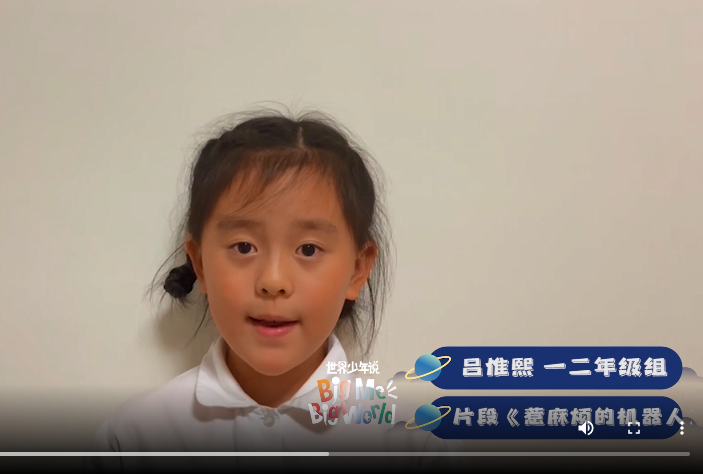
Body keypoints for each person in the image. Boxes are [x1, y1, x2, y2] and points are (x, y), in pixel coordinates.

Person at [87, 109, 462, 472]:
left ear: (357, 269)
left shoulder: (410, 444)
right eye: (244, 247)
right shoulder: (132, 441)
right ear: (199, 263)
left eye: (308, 250)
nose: (274, 281)